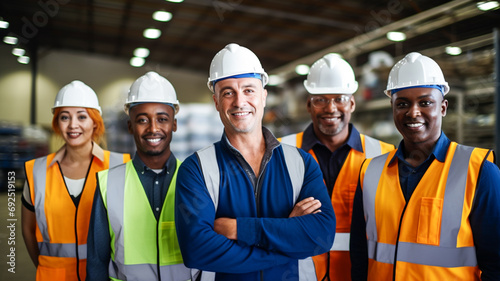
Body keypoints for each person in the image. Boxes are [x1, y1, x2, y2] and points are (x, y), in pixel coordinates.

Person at [174, 43, 336, 281]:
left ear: (264, 96)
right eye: (228, 92)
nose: (239, 102)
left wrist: (238, 229)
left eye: (249, 90)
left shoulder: (300, 163)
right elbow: (197, 249)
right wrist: (286, 242)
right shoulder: (197, 168)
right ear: (216, 102)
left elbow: (320, 235)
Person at [350, 52, 500, 280]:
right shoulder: (370, 171)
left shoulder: (479, 171)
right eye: (402, 104)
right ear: (392, 108)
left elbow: (496, 263)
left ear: (443, 107)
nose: (413, 112)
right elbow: (360, 254)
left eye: (425, 102)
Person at [279, 53, 394, 281]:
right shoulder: (281, 151)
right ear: (309, 105)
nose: (331, 108)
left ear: (351, 103)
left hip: (359, 273)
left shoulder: (383, 154)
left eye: (340, 98)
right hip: (299, 273)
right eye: (321, 99)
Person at [86, 71, 196, 281]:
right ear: (130, 126)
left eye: (162, 119)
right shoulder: (108, 183)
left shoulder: (197, 180)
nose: (153, 128)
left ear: (174, 124)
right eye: (142, 120)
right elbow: (96, 262)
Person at [21, 80, 130, 281]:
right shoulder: (36, 171)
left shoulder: (119, 165)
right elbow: (27, 229)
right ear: (56, 122)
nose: (73, 125)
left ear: (95, 122)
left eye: (82, 116)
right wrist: (46, 268)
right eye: (65, 117)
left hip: (103, 276)